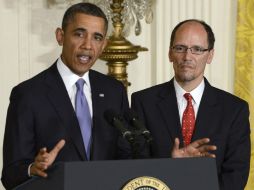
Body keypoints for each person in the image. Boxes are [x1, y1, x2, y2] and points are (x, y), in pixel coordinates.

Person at [1, 3, 131, 189]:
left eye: (96, 37)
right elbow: (10, 174)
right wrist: (33, 168)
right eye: (79, 34)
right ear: (60, 36)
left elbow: (125, 157)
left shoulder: (114, 91)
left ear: (104, 45)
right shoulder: (28, 94)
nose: (87, 45)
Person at [131, 19, 250, 190]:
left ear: (210, 55)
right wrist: (170, 165)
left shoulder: (234, 109)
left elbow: (236, 176)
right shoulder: (143, 102)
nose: (187, 57)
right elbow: (135, 167)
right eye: (180, 48)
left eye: (197, 49)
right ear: (170, 53)